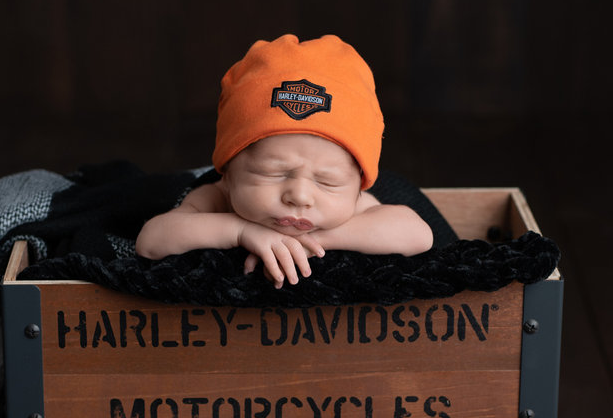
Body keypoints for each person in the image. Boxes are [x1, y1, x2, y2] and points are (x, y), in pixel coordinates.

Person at [135, 34, 433, 288]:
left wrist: (317, 240)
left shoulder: (352, 207)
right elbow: (151, 241)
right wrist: (241, 232)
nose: (300, 195)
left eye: (327, 180)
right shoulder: (216, 197)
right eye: (273, 173)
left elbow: (418, 235)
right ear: (228, 173)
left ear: (357, 186)